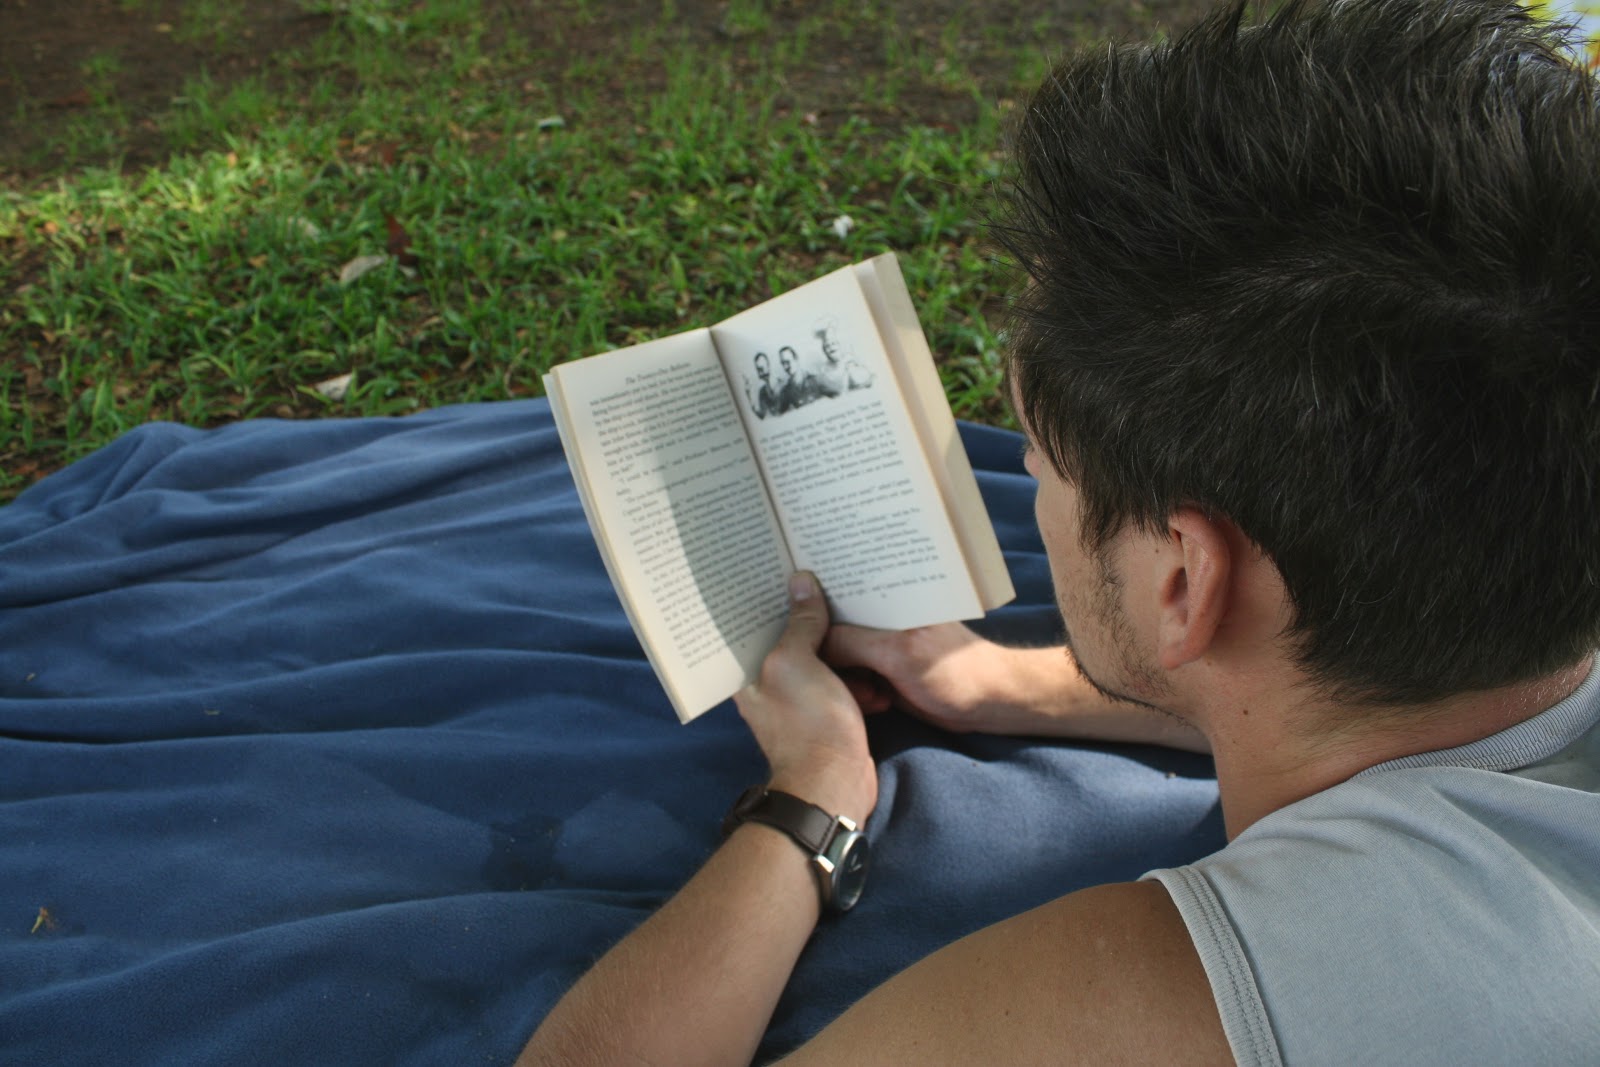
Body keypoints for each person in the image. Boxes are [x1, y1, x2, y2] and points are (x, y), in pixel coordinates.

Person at [522, 0, 1600, 1062]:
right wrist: (990, 682)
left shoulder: (1205, 993)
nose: (1029, 486)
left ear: (1185, 583)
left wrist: (812, 793)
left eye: (1038, 459)